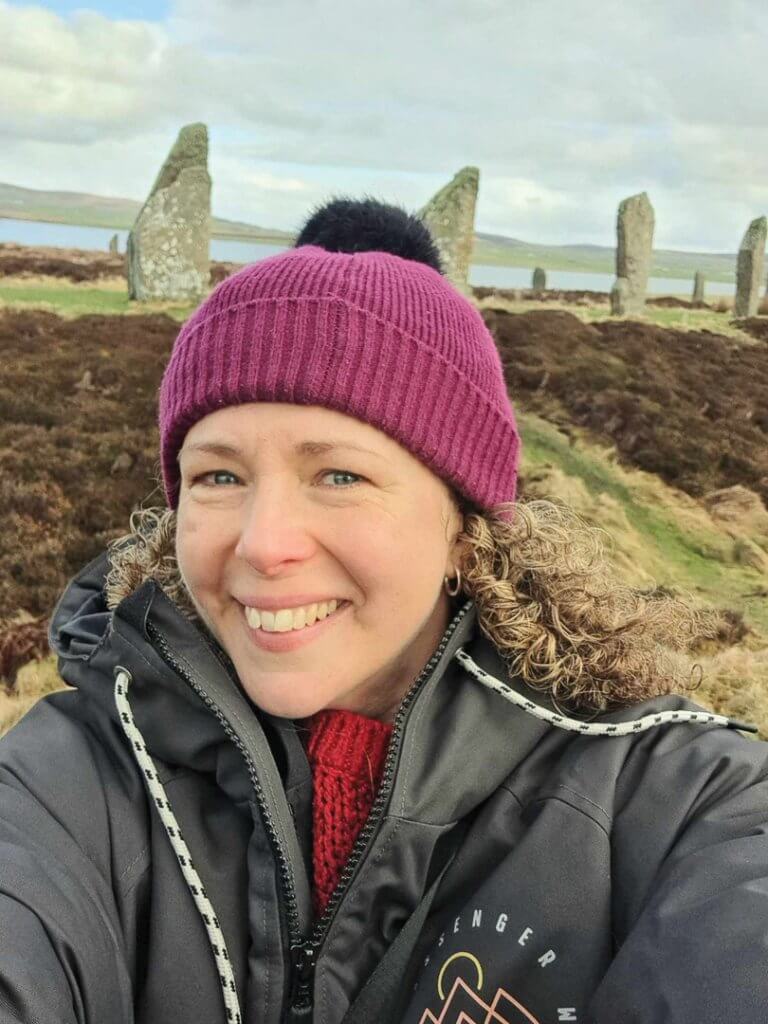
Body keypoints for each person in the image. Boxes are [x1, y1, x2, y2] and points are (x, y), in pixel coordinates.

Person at [1, 197, 766, 1024]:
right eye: (219, 476)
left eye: (339, 475)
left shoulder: (678, 803)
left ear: (465, 533)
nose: (264, 544)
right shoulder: (71, 780)